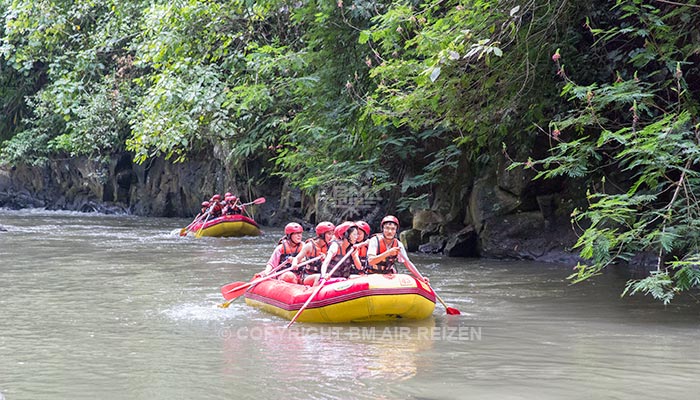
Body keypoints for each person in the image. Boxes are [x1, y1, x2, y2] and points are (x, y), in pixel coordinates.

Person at [366, 215, 428, 282]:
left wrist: (421, 278)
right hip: (372, 275)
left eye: (393, 229)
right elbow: (371, 261)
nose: (389, 231)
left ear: (396, 231)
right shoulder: (374, 240)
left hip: (388, 275)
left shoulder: (398, 244)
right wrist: (388, 253)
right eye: (387, 228)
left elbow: (408, 263)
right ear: (382, 229)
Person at [312, 221, 363, 285]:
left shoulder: (352, 249)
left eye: (357, 234)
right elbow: (326, 263)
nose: (356, 237)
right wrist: (323, 275)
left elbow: (359, 267)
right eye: (354, 234)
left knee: (360, 278)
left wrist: (354, 257)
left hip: (344, 279)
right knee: (342, 280)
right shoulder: (335, 246)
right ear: (346, 235)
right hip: (332, 278)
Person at [292, 221, 335, 285]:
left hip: (323, 275)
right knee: (318, 277)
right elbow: (297, 258)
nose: (331, 237)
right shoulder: (310, 246)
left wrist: (325, 258)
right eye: (329, 234)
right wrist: (294, 263)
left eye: (332, 234)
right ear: (322, 235)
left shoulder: (331, 247)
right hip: (307, 276)